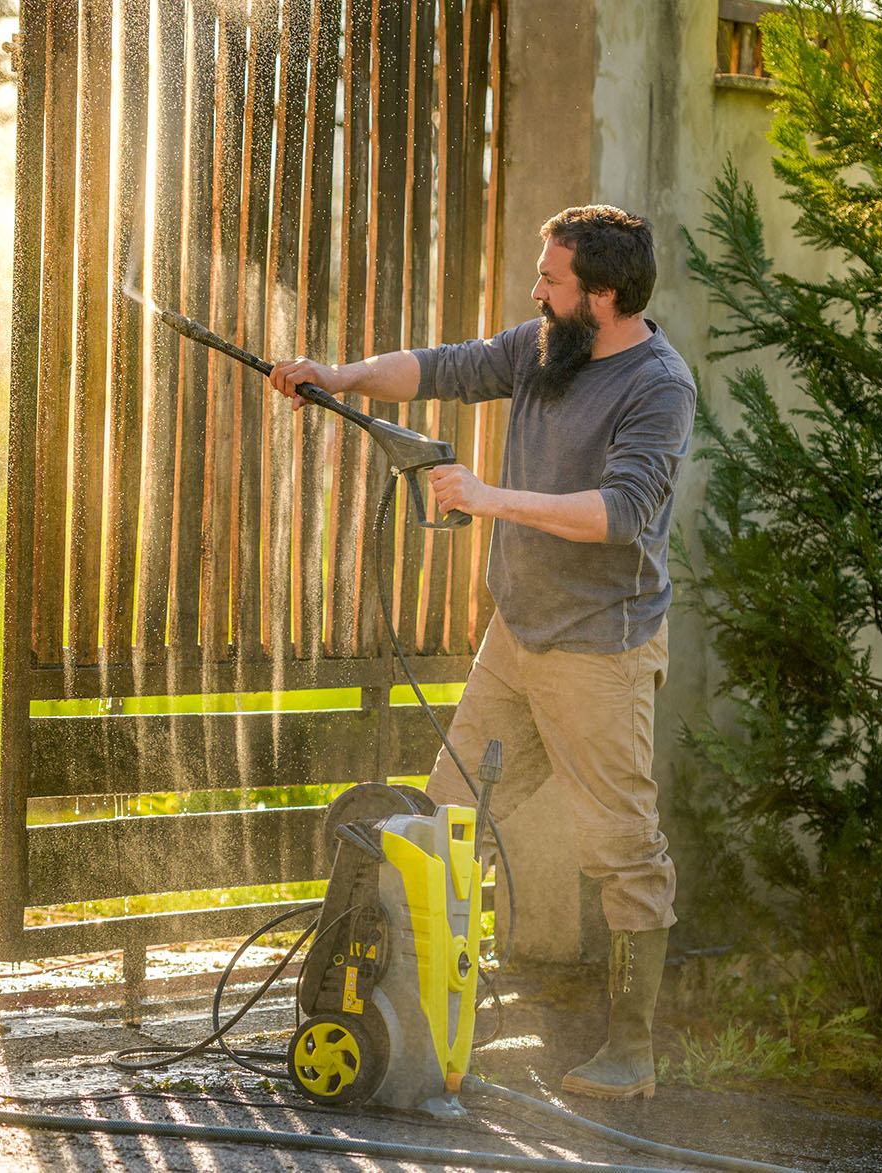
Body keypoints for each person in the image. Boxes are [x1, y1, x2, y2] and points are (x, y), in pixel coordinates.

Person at [266, 204, 696, 1101]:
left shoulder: (659, 386)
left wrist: (490, 497)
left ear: (603, 296)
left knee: (622, 847)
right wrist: (333, 376)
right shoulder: (548, 343)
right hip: (518, 636)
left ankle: (631, 1050)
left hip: (599, 650)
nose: (535, 291)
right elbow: (441, 368)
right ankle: (421, 1019)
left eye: (552, 279)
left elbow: (623, 513)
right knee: (445, 819)